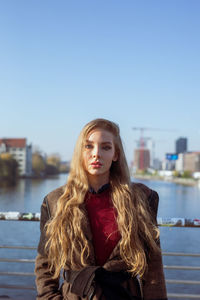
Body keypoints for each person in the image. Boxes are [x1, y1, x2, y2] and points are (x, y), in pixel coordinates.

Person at [35, 118, 168, 300]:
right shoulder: (55, 201)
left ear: (115, 154)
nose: (96, 154)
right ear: (80, 152)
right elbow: (45, 266)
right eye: (88, 146)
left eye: (105, 147)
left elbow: (152, 270)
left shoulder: (142, 199)